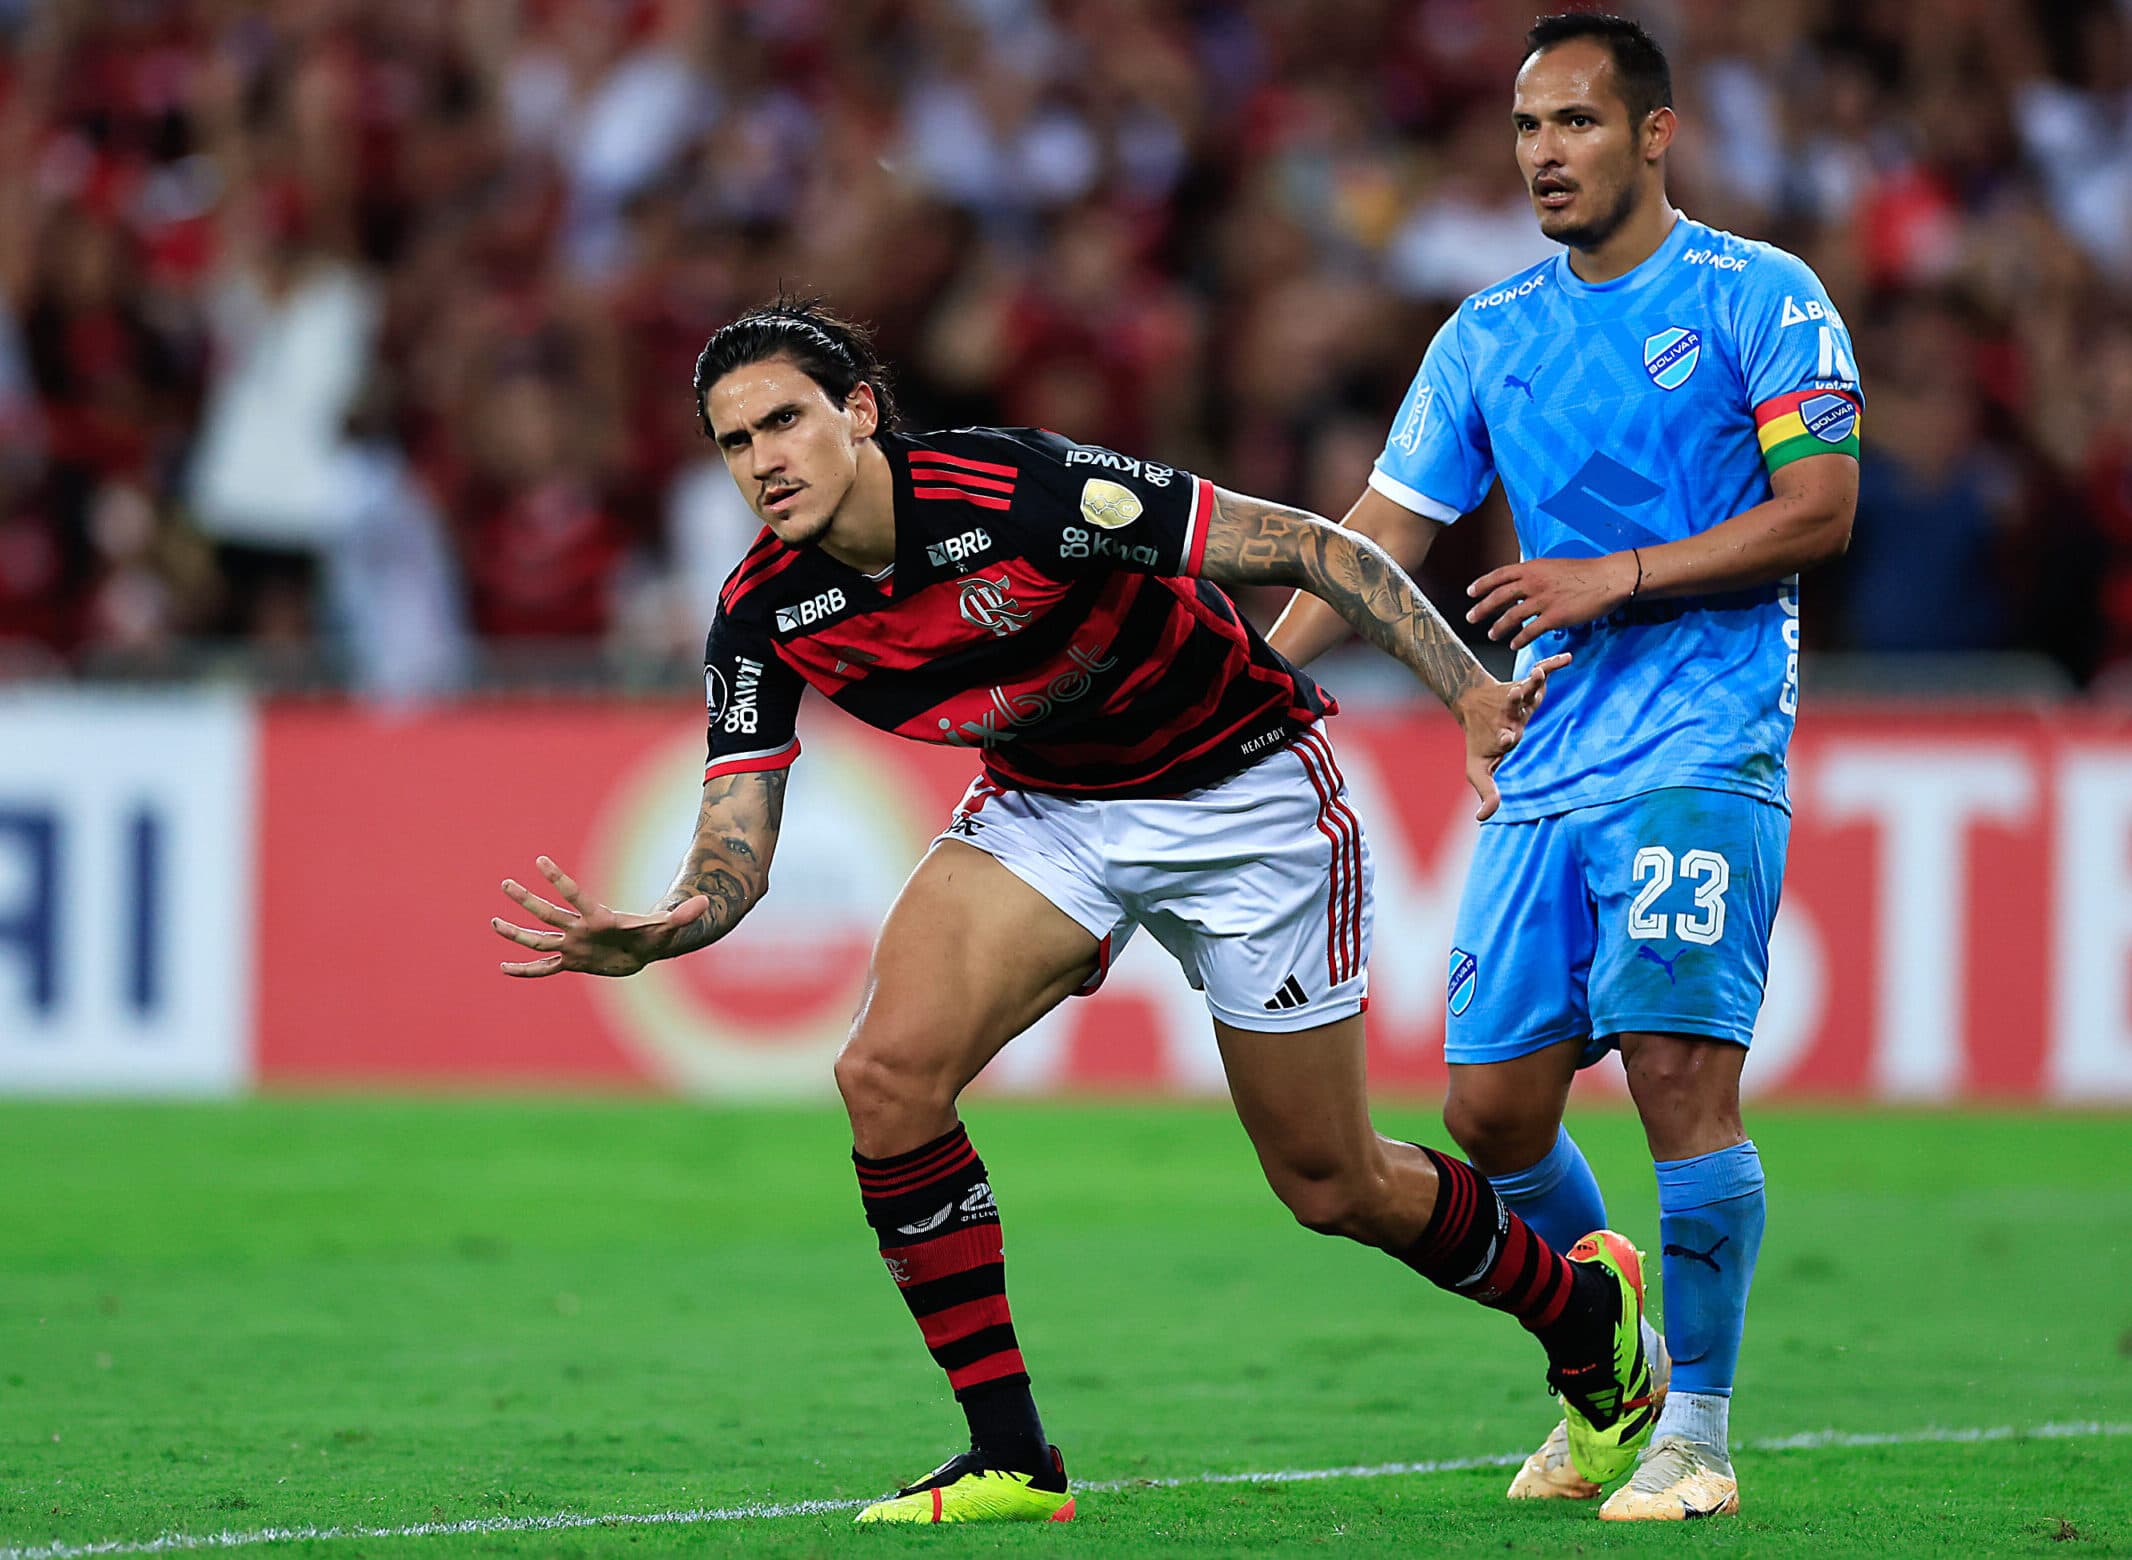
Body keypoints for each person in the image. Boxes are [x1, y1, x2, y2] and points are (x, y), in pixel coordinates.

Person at [489, 298, 1662, 1524]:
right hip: (1049, 811)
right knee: (885, 1078)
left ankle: (1586, 1318)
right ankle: (1009, 1455)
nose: (763, 461)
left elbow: (1318, 548)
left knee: (1330, 1184)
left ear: (859, 413)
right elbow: (737, 837)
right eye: (734, 443)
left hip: (1238, 791)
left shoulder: (1015, 489)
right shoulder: (763, 611)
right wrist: (673, 921)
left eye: (784, 420)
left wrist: (1469, 693)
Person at [1269, 13, 1862, 1523]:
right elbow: (1379, 535)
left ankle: (1703, 1439)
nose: (1546, 152)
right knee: (1491, 1119)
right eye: (1529, 127)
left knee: (1676, 1079)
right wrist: (1255, 679)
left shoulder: (1762, 298)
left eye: (1579, 125)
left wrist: (1618, 577)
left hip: (1703, 747)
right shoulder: (1487, 332)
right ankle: (1623, 1364)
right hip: (1548, 761)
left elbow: (1819, 512)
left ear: (1654, 136)